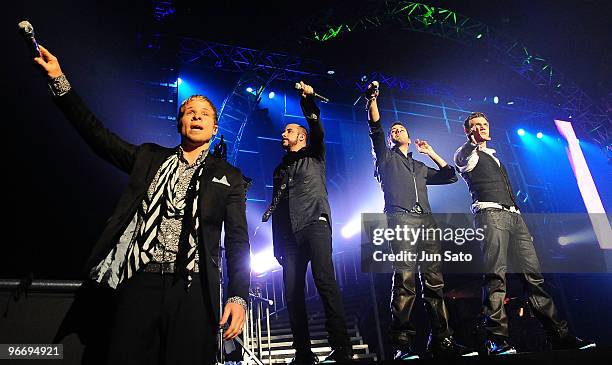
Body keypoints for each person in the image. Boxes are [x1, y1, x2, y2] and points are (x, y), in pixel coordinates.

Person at [33, 45, 250, 365]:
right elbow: (97, 137)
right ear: (180, 124)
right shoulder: (148, 158)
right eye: (190, 111)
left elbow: (237, 241)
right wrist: (59, 81)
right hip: (138, 279)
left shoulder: (229, 177)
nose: (197, 116)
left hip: (191, 287)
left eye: (205, 113)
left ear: (215, 128)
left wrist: (238, 296)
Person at [454, 112, 596, 355]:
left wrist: (520, 221)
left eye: (485, 124)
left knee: (534, 279)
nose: (482, 128)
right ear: (468, 132)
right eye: (476, 126)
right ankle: (496, 340)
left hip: (514, 217)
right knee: (496, 278)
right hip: (490, 215)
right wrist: (471, 143)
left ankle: (560, 337)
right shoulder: (470, 155)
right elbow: (460, 158)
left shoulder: (494, 156)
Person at [366, 83, 476, 360]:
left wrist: (431, 153)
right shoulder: (386, 158)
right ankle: (402, 343)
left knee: (434, 282)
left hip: (426, 221)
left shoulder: (418, 166)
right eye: (394, 131)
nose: (396, 131)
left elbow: (450, 176)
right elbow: (375, 128)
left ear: (409, 135)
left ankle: (443, 341)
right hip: (400, 217)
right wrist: (372, 100)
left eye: (400, 129)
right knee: (405, 280)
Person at [261, 82, 352, 364]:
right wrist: (277, 244)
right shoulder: (280, 169)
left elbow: (317, 128)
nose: (282, 133)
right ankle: (303, 352)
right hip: (288, 237)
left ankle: (342, 346)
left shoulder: (315, 154)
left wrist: (308, 102)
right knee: (292, 293)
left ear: (301, 136)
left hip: (315, 224)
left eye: (288, 130)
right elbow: (277, 207)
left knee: (325, 282)